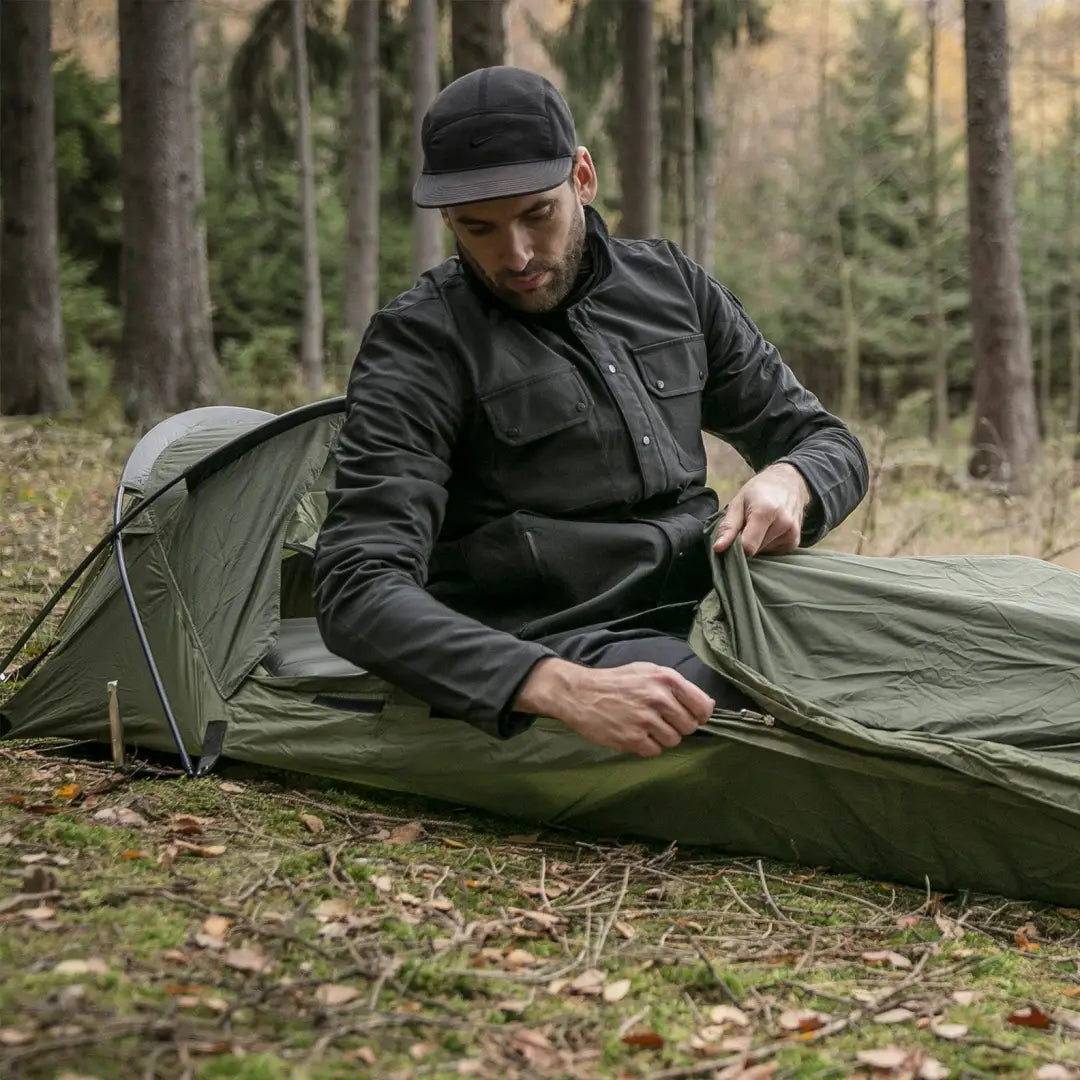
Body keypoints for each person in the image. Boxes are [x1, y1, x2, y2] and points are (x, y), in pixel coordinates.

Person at [313, 66, 868, 760]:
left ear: (582, 177)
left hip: (724, 603)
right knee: (792, 709)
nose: (513, 256)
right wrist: (555, 685)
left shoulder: (672, 286)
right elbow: (356, 589)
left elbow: (825, 440)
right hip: (562, 641)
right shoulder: (419, 344)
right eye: (478, 228)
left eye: (536, 214)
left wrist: (796, 480)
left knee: (928, 643)